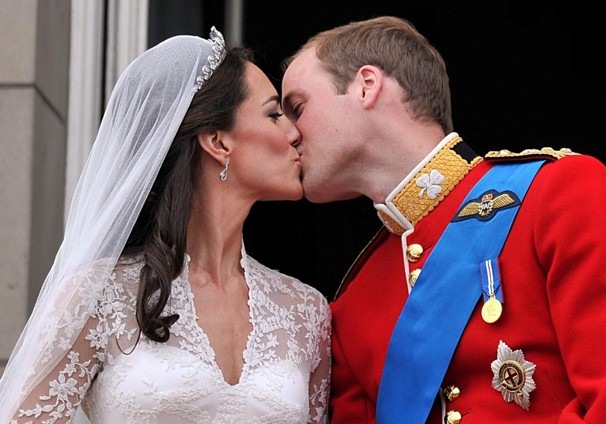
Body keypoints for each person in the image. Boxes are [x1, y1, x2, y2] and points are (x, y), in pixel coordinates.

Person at [281, 15, 606, 424]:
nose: (288, 135)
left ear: (366, 85)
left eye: (297, 108)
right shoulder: (351, 307)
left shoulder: (558, 192)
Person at [0, 28, 331, 423]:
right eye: (274, 114)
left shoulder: (307, 312)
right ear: (218, 142)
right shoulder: (99, 294)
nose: (294, 133)